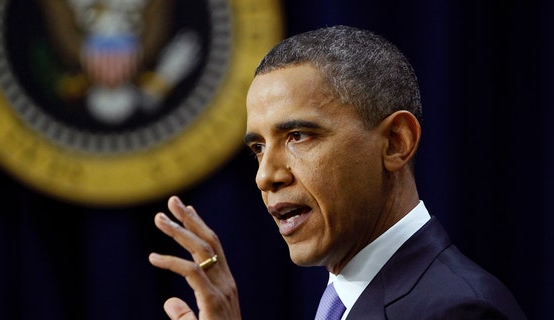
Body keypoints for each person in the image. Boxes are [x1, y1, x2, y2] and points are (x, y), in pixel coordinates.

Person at [148, 25, 526, 319]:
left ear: (396, 142)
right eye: (258, 148)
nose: (265, 176)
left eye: (297, 136)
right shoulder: (349, 298)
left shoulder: (455, 311)